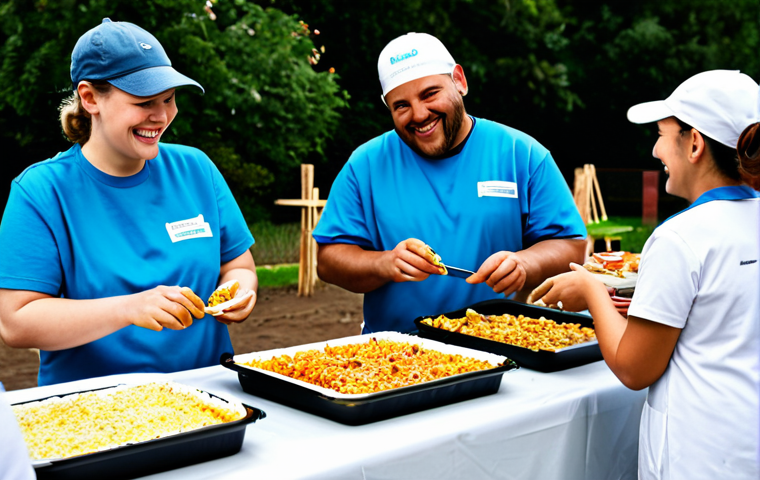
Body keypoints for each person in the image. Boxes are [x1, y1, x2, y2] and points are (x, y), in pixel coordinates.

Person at [528, 70, 760, 479]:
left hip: (698, 456)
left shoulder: (680, 238)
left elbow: (634, 369)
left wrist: (591, 289)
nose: (655, 150)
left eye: (661, 134)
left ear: (694, 144)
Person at [0, 19, 257, 386]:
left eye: (169, 99)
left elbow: (238, 265)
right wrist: (129, 308)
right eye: (144, 102)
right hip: (94, 413)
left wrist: (240, 290)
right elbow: (15, 322)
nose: (162, 115)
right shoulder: (41, 191)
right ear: (90, 98)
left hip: (211, 397)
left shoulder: (196, 168)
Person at [313, 32, 587, 333]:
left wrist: (525, 264)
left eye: (430, 93)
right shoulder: (365, 164)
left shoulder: (520, 153)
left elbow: (571, 247)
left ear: (459, 81)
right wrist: (385, 263)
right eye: (401, 105)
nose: (419, 114)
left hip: (502, 347)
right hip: (393, 359)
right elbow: (328, 260)